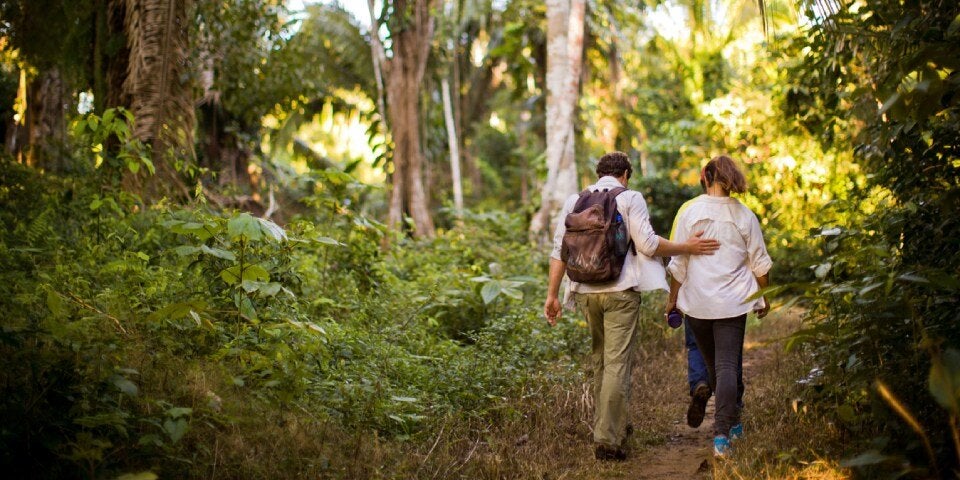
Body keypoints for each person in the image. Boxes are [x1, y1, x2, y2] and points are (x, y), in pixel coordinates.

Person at [544, 151, 721, 461]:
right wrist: (686, 247)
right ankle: (608, 441)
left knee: (601, 360)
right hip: (620, 292)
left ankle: (615, 426)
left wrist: (552, 295)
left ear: (599, 173)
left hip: (585, 291)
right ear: (625, 174)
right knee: (616, 364)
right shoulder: (629, 198)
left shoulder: (576, 200)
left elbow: (559, 250)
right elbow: (649, 245)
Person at [665, 155, 772, 457]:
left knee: (715, 368)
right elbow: (760, 264)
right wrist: (765, 296)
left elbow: (678, 264)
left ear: (705, 177)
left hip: (697, 304)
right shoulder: (744, 215)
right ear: (729, 179)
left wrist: (673, 299)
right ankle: (724, 434)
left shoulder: (690, 212)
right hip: (733, 302)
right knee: (726, 367)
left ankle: (729, 424)